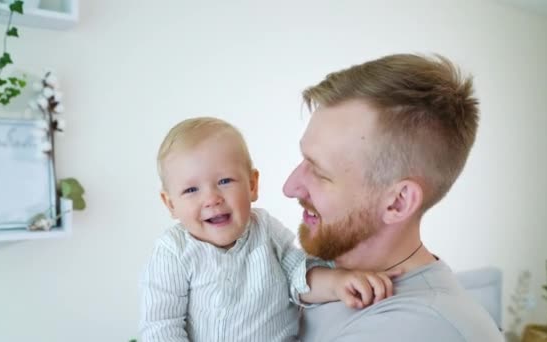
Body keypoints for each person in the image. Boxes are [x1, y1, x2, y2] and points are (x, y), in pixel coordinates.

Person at [282, 53, 504, 341]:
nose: (290, 187)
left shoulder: (418, 328)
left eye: (321, 173)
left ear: (398, 202)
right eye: (304, 159)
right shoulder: (314, 275)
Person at [139, 117, 395, 342]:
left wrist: (338, 282)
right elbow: (161, 326)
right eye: (191, 190)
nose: (212, 198)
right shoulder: (173, 251)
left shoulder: (266, 231)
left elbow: (299, 274)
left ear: (252, 185)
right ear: (170, 204)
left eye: (224, 181)